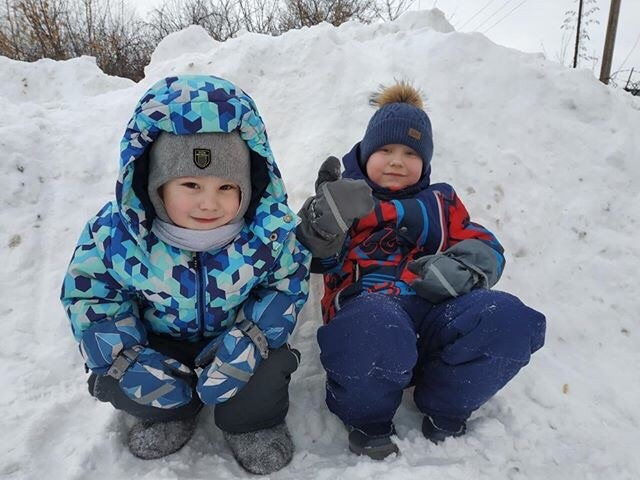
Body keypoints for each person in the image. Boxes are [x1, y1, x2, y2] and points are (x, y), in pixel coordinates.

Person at [60, 75, 311, 475]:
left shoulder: (266, 233)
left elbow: (287, 283)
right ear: (156, 184)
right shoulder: (117, 235)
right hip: (156, 346)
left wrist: (253, 338)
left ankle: (250, 422)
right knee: (116, 378)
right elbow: (91, 296)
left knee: (267, 370)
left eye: (227, 187)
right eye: (191, 184)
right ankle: (169, 412)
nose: (208, 203)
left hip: (235, 342)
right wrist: (125, 355)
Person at [296, 81, 546, 460]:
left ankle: (447, 400)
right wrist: (323, 223)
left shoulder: (441, 203)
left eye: (411, 153)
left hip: (434, 311)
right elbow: (316, 258)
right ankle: (368, 416)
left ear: (425, 163)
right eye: (385, 149)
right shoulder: (345, 199)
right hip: (369, 309)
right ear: (363, 153)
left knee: (507, 319)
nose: (397, 160)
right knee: (373, 324)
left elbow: (486, 246)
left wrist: (464, 266)